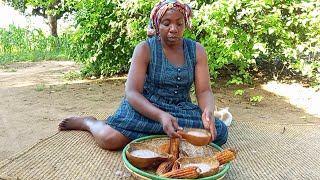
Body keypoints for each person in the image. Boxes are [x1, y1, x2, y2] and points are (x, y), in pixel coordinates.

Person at [59, 0, 228, 150]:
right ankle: (90, 122)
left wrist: (208, 112)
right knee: (109, 139)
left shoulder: (197, 50)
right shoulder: (145, 49)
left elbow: (204, 91)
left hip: (179, 110)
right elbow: (132, 93)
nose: (173, 29)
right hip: (146, 107)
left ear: (186, 25)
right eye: (166, 23)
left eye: (179, 23)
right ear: (156, 25)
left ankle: (152, 136)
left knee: (217, 134)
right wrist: (160, 116)